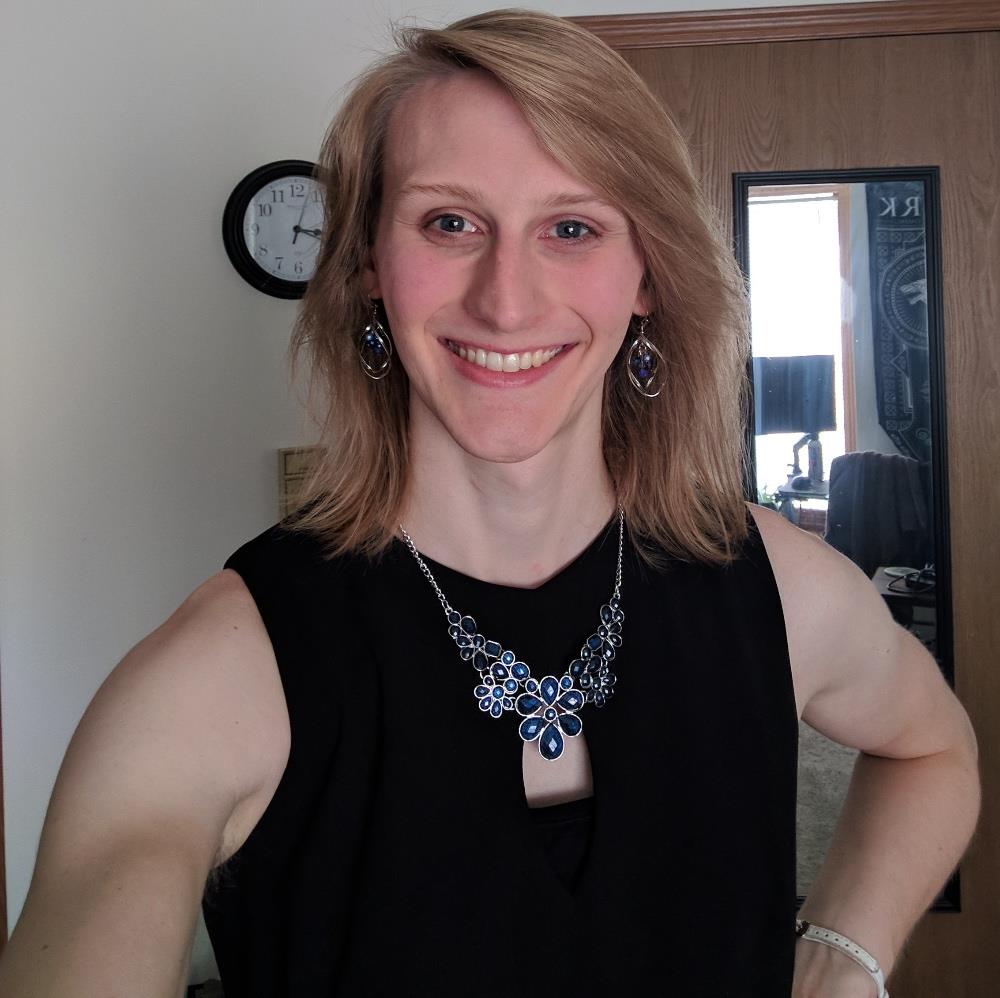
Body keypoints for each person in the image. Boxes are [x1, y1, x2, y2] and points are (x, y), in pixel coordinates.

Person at [0, 9, 980, 998]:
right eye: (450, 223)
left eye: (571, 228)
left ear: (647, 273)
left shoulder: (781, 587)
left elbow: (933, 747)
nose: (506, 302)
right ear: (367, 266)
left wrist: (845, 957)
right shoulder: (217, 676)